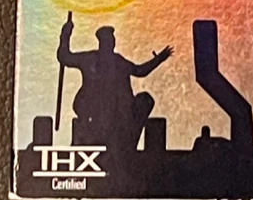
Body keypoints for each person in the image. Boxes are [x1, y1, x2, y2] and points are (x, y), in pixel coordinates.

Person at [57, 19, 172, 153]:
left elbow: (140, 71)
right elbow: (64, 57)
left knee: (145, 100)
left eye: (112, 40)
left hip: (119, 116)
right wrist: (65, 33)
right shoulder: (89, 59)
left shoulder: (119, 62)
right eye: (109, 40)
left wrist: (158, 59)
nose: (111, 43)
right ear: (102, 43)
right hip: (95, 115)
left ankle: (128, 142)